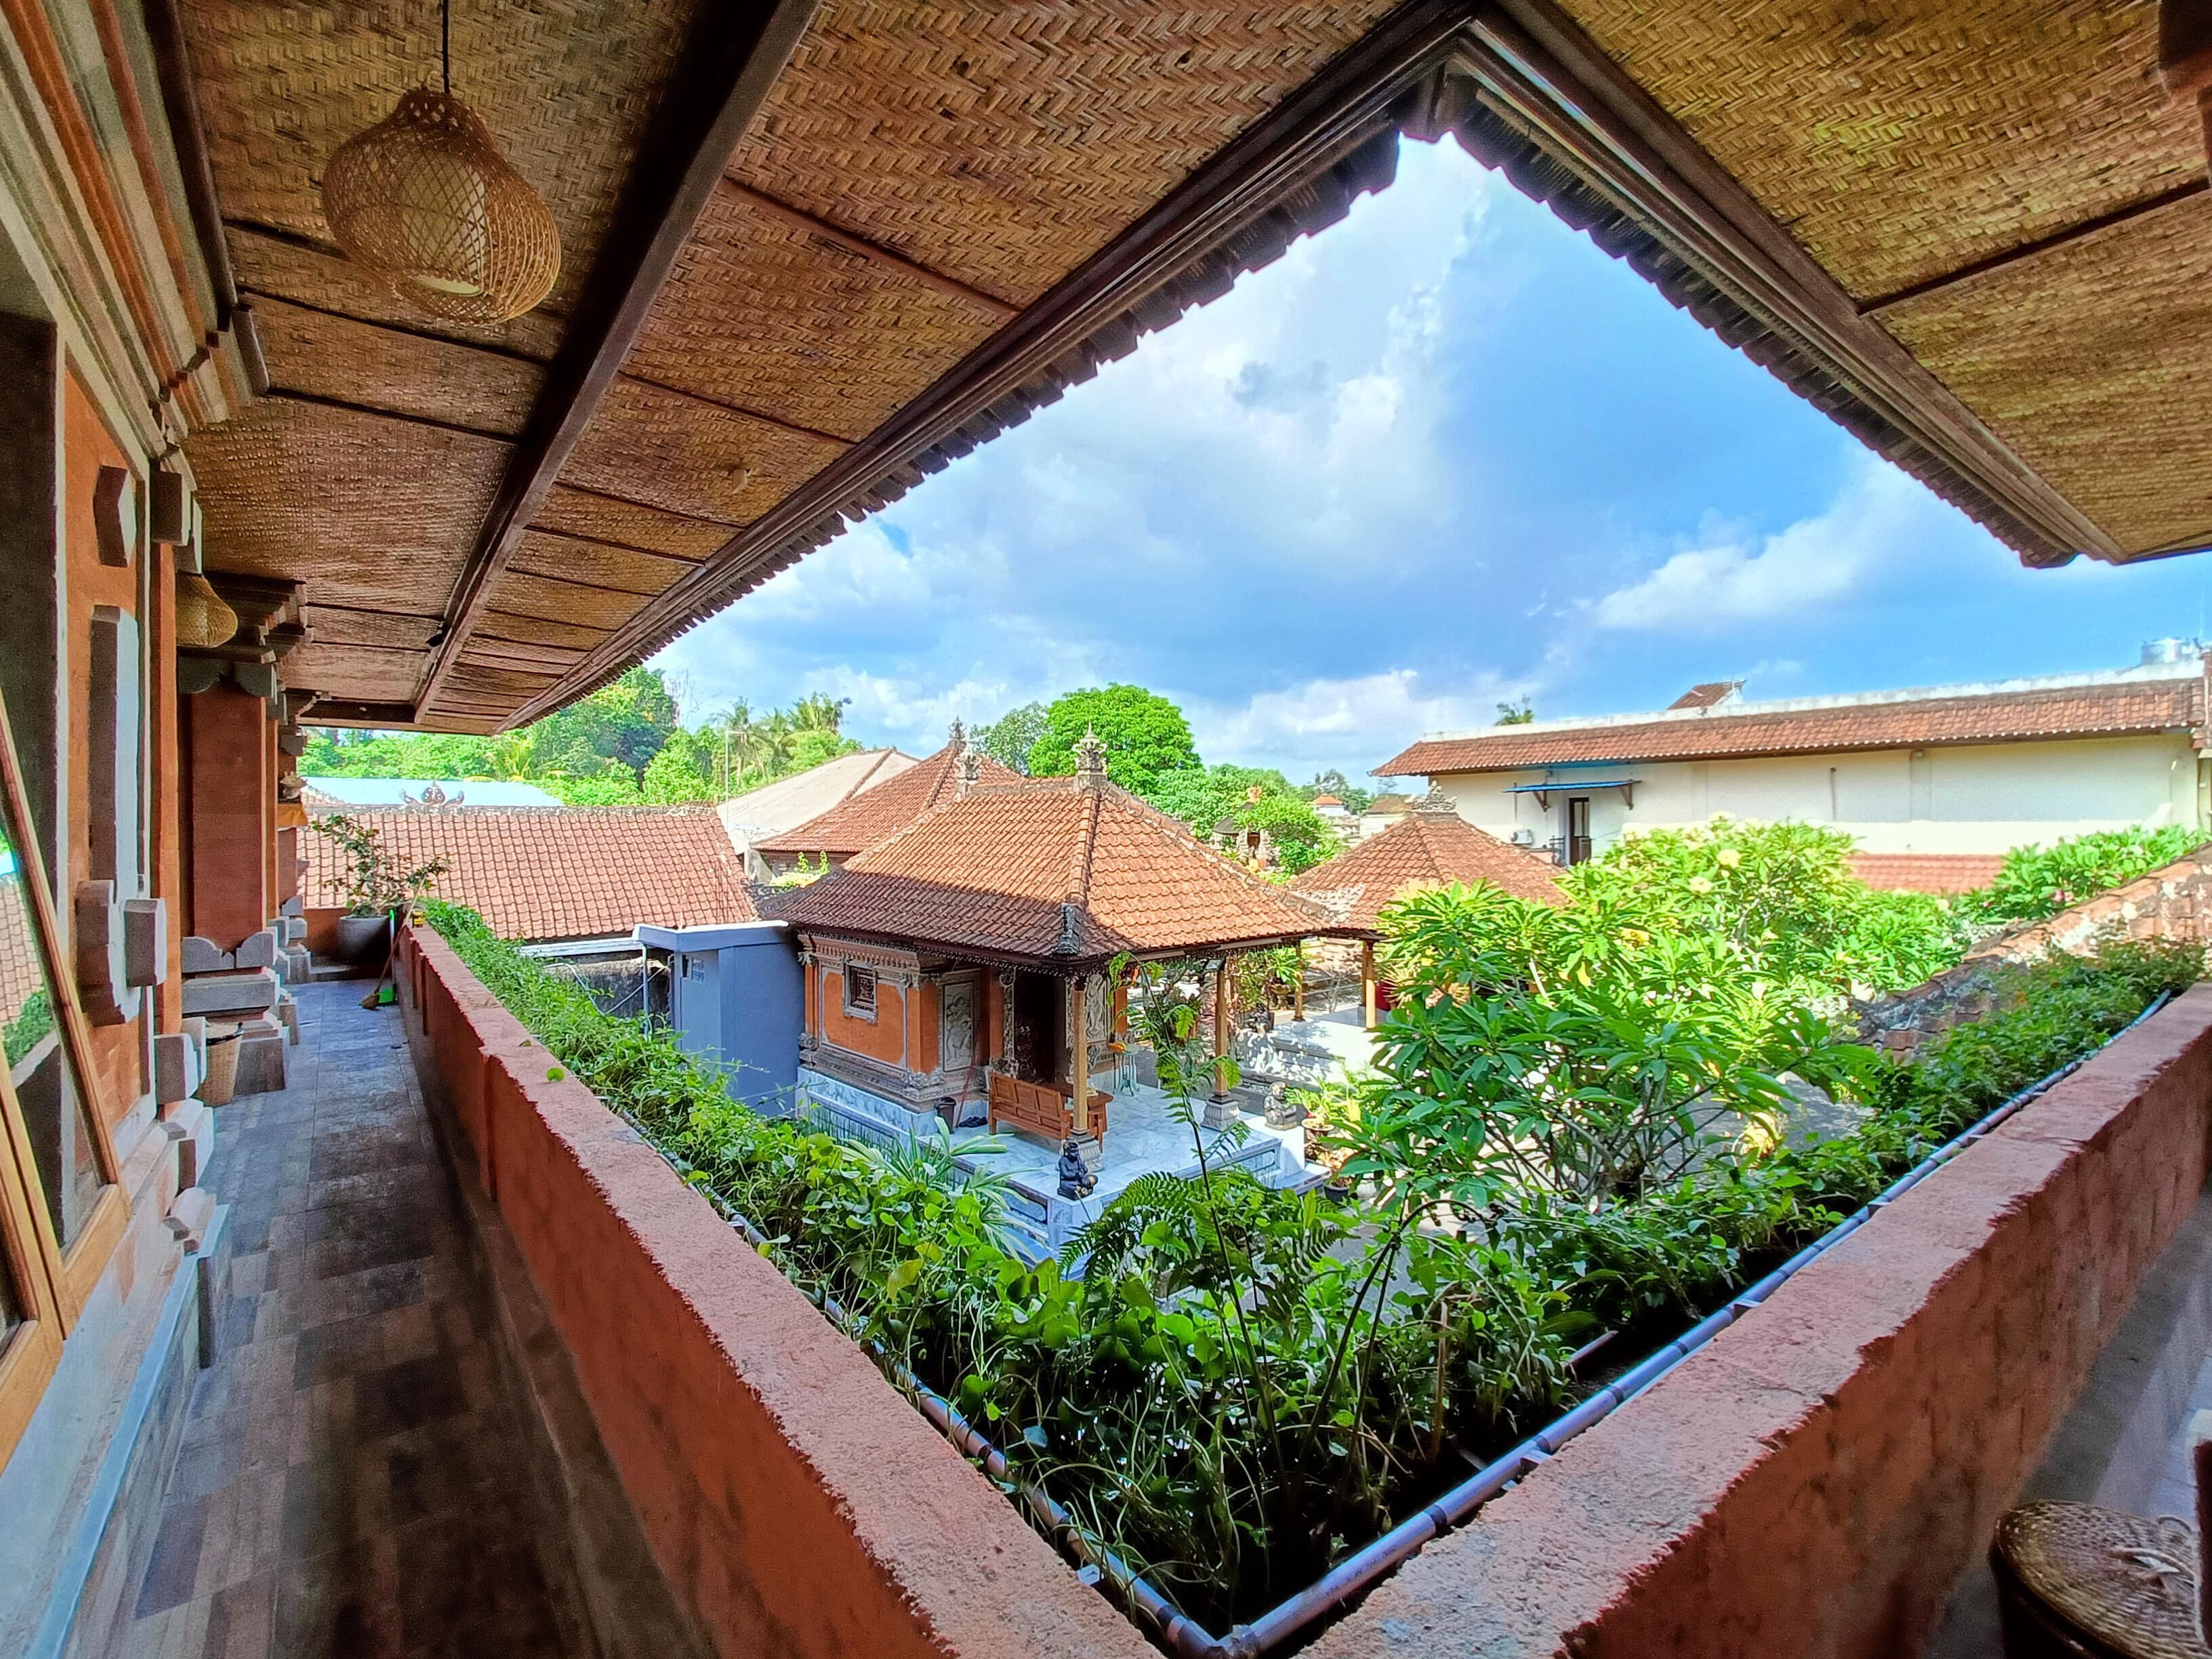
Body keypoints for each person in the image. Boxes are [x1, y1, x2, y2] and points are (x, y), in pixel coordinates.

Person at [1057, 1134, 1097, 1200]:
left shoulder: (1078, 1159)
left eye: (1077, 1151)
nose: (1076, 1153)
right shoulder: (1063, 1161)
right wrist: (1075, 1175)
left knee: (1094, 1178)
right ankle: (1080, 1189)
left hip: (1080, 1180)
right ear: (1067, 1152)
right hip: (1069, 1181)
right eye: (1073, 1152)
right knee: (1067, 1186)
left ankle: (1083, 1188)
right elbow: (1065, 1174)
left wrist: (1084, 1169)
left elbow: (1085, 1170)